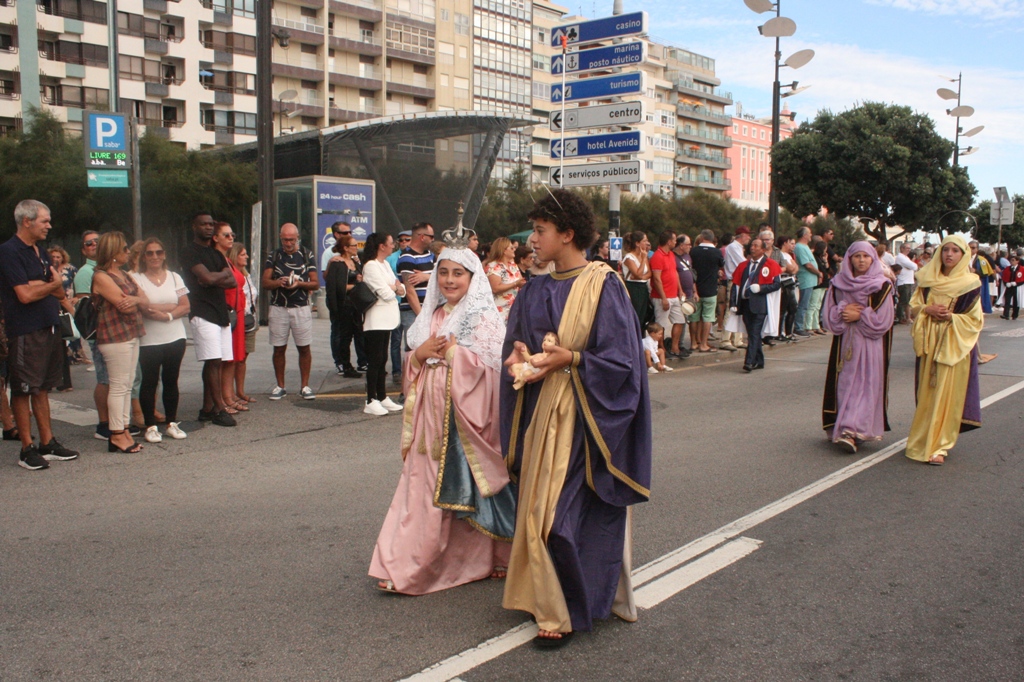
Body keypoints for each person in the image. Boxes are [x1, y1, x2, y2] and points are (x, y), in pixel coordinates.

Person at [501, 188, 651, 647]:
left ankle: (565, 607)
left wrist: (572, 358)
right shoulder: (536, 288)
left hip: (586, 418)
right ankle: (551, 601)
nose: (532, 239)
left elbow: (624, 361)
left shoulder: (604, 284)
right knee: (536, 513)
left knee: (557, 517)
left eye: (541, 231)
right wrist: (520, 359)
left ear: (567, 234)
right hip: (544, 415)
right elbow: (519, 345)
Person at [369, 232, 515, 594]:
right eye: (444, 273)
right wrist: (419, 356)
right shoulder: (431, 316)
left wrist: (454, 356)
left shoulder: (483, 319)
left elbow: (494, 370)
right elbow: (414, 362)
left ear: (472, 278)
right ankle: (406, 566)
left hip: (466, 417)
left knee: (477, 490)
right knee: (419, 490)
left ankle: (489, 556)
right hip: (430, 418)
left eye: (458, 274)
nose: (449, 280)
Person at [0, 200, 80, 469]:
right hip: (25, 329)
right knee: (23, 389)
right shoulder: (9, 252)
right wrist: (48, 284)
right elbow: (23, 295)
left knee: (43, 388)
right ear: (27, 221)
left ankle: (48, 442)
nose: (49, 225)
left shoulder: (41, 252)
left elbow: (58, 291)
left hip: (50, 326)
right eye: (44, 221)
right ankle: (27, 448)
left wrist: (44, 284)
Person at [906, 235, 983, 466]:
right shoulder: (927, 280)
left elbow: (975, 320)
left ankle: (940, 445)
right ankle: (920, 441)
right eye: (946, 250)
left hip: (953, 345)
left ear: (963, 255)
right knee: (928, 393)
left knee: (946, 396)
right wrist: (927, 309)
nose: (949, 254)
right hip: (929, 343)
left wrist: (952, 317)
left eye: (955, 251)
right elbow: (914, 306)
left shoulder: (970, 283)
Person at [821, 242, 895, 453]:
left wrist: (860, 315)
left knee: (865, 384)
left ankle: (852, 430)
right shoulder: (838, 284)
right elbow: (829, 316)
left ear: (873, 259)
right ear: (849, 259)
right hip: (846, 344)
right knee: (845, 384)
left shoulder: (882, 285)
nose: (861, 260)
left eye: (866, 256)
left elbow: (884, 320)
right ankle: (845, 425)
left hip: (870, 345)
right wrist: (844, 312)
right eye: (856, 256)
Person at [179, 212, 237, 427]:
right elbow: (205, 278)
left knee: (218, 361)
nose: (208, 228)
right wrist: (213, 278)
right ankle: (220, 409)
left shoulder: (217, 254)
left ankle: (207, 408)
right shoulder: (189, 251)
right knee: (212, 361)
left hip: (220, 311)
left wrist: (214, 278)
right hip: (202, 311)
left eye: (211, 224)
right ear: (194, 227)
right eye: (203, 224)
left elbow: (231, 281)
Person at [92, 231, 148, 454]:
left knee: (127, 384)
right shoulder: (101, 276)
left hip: (131, 332)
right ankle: (116, 433)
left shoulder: (125, 274)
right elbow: (119, 302)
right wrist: (137, 301)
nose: (128, 252)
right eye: (124, 248)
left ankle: (123, 429)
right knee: (118, 385)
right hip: (114, 335)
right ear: (113, 251)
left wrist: (135, 300)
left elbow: (144, 299)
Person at [131, 238, 189, 442]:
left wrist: (168, 314)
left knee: (171, 380)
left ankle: (172, 422)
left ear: (164, 254)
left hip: (175, 337)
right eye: (149, 253)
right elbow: (143, 308)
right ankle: (150, 426)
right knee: (149, 381)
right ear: (143, 256)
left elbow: (185, 305)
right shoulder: (135, 278)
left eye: (158, 252)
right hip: (149, 340)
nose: (154, 256)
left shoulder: (175, 277)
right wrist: (169, 307)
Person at [263, 223, 319, 401]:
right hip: (279, 306)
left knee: (304, 347)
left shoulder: (306, 254)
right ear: (281, 238)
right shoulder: (274, 255)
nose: (288, 243)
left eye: (292, 240)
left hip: (300, 306)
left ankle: (305, 385)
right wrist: (279, 282)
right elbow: (265, 282)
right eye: (285, 239)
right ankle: (280, 385)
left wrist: (299, 283)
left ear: (297, 238)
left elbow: (316, 283)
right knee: (278, 347)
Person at [361, 232, 406, 416]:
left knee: (382, 359)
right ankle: (371, 399)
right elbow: (387, 293)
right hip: (376, 319)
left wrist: (395, 287)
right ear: (381, 246)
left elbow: (400, 290)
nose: (393, 245)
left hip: (387, 317)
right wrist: (394, 287)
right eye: (390, 243)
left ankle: (382, 396)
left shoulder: (385, 264)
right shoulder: (371, 266)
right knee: (375, 360)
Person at [730, 237, 782, 372]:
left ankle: (749, 362)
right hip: (746, 304)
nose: (752, 248)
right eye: (751, 245)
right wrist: (733, 303)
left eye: (756, 246)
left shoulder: (771, 264)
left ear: (763, 249)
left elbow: (776, 284)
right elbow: (735, 285)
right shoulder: (743, 265)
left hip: (760, 305)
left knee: (754, 333)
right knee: (753, 333)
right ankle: (759, 360)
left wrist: (761, 288)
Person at [394, 223, 436, 386]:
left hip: (429, 308)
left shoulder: (431, 255)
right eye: (431, 236)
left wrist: (426, 276)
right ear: (422, 236)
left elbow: (439, 274)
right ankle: (407, 389)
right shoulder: (407, 258)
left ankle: (424, 384)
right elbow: (409, 289)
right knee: (412, 348)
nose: (433, 239)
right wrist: (421, 315)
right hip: (413, 311)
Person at [213, 223, 248, 413]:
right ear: (215, 238)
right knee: (225, 358)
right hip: (226, 312)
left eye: (232, 234)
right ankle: (222, 398)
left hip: (237, 311)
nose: (230, 238)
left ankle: (229, 395)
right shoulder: (217, 259)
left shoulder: (227, 260)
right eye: (226, 235)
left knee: (232, 357)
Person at [324, 234, 365, 378]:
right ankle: (345, 364)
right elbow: (334, 287)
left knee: (359, 334)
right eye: (354, 245)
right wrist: (354, 285)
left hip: (356, 304)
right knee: (344, 336)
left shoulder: (355, 261)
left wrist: (359, 279)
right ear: (346, 248)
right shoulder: (337, 263)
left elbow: (360, 278)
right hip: (344, 304)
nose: (356, 248)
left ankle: (362, 362)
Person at [649, 230, 686, 360]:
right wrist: (663, 297)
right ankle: (662, 348)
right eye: (674, 240)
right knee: (661, 325)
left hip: (673, 294)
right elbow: (657, 278)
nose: (675, 242)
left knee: (680, 320)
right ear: (669, 241)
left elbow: (674, 272)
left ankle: (674, 347)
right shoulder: (657, 256)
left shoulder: (670, 254)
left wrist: (680, 289)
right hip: (662, 296)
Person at [227, 242, 258, 403]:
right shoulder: (230, 275)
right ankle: (229, 393)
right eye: (242, 254)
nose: (246, 256)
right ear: (234, 256)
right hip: (236, 319)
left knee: (243, 358)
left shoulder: (246, 275)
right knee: (233, 358)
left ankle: (240, 391)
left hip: (249, 319)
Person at [689, 229, 725, 353]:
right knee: (707, 318)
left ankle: (693, 342)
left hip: (695, 289)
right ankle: (703, 344)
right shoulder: (717, 252)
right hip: (710, 289)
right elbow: (721, 265)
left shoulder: (693, 251)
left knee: (693, 317)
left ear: (702, 237)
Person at [48, 245, 76, 391]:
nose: (55, 259)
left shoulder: (69, 269)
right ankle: (48, 382)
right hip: (49, 308)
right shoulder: (46, 272)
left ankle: (64, 382)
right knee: (50, 348)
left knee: (62, 346)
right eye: (52, 257)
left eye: (58, 257)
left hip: (63, 307)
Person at [720, 226, 751, 351]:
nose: (749, 237)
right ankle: (725, 339)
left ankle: (737, 339)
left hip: (740, 281)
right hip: (734, 280)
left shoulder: (738, 247)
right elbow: (742, 263)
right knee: (731, 309)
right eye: (747, 235)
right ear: (742, 235)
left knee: (738, 309)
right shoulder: (733, 247)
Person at [483, 237, 526, 321]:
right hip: (500, 311)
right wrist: (515, 284)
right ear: (504, 250)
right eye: (511, 248)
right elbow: (495, 288)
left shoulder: (513, 265)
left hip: (515, 309)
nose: (514, 249)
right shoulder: (493, 267)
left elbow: (520, 281)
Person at [794, 227, 821, 337]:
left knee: (806, 304)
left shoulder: (805, 247)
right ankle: (798, 326)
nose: (811, 235)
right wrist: (818, 273)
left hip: (810, 280)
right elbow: (807, 264)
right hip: (805, 279)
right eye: (809, 233)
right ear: (804, 235)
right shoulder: (800, 247)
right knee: (803, 304)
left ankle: (800, 325)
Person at [671, 234, 694, 357]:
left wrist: (695, 291)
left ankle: (680, 344)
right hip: (679, 294)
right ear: (681, 245)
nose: (690, 246)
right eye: (688, 244)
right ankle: (676, 344)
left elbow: (691, 273)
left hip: (689, 293)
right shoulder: (673, 257)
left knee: (685, 319)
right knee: (679, 319)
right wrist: (680, 290)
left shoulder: (688, 257)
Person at [621, 231, 652, 325]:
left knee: (643, 315)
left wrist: (641, 277)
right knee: (636, 315)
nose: (647, 243)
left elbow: (649, 273)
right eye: (644, 241)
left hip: (643, 287)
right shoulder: (629, 257)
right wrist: (643, 260)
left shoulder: (644, 255)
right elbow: (638, 274)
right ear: (637, 243)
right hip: (633, 288)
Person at [775, 235, 799, 341]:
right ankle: (779, 332)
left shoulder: (789, 255)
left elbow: (795, 268)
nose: (792, 245)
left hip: (791, 282)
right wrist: (791, 268)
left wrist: (792, 268)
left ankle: (789, 332)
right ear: (785, 243)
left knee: (792, 308)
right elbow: (790, 268)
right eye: (790, 242)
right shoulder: (780, 254)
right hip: (784, 283)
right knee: (782, 309)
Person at [807, 240, 831, 335]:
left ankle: (815, 325)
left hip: (824, 284)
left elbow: (828, 269)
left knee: (818, 306)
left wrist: (826, 261)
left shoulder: (821, 258)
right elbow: (819, 269)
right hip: (818, 284)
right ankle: (808, 326)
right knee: (813, 305)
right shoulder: (815, 258)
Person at [894, 242, 919, 324]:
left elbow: (913, 266)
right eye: (907, 248)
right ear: (902, 248)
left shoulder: (906, 257)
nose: (908, 250)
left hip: (908, 281)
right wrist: (913, 265)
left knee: (907, 301)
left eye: (909, 248)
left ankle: (905, 317)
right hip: (904, 282)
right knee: (903, 301)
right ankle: (900, 318)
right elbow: (914, 266)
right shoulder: (901, 257)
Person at [969, 241, 995, 314]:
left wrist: (975, 271)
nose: (971, 249)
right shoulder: (963, 259)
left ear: (977, 249)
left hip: (977, 285)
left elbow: (985, 274)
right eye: (969, 247)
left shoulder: (981, 260)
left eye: (973, 248)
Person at [1000, 254, 1022, 320]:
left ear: (1017, 261)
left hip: (1016, 287)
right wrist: (1006, 283)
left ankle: (1015, 315)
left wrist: (1017, 283)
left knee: (1016, 301)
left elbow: (1023, 279)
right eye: (1011, 260)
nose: (1011, 262)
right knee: (1007, 300)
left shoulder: (1021, 269)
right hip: (1009, 287)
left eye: (1013, 260)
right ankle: (1006, 314)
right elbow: (1004, 277)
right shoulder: (1007, 269)